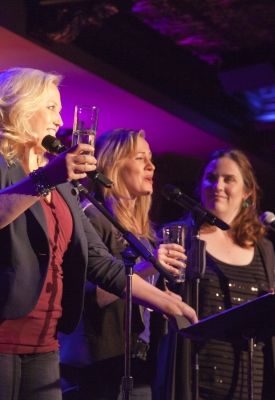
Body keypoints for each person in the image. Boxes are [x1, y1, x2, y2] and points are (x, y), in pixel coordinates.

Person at [0, 67, 197, 400]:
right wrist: (45, 179)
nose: (60, 120)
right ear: (21, 107)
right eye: (51, 107)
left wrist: (168, 303)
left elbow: (101, 262)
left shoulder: (62, 184)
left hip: (43, 341)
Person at [59, 128, 187, 399]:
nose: (151, 165)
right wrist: (148, 267)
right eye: (141, 158)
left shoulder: (144, 233)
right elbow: (85, 297)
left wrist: (162, 299)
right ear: (113, 165)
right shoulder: (92, 218)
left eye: (151, 158)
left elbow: (134, 297)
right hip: (94, 366)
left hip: (135, 363)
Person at [159, 149, 275, 400]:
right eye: (211, 177)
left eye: (228, 179)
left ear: (247, 191)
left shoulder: (263, 247)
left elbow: (267, 325)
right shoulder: (179, 236)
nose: (217, 185)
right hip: (195, 382)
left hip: (250, 382)